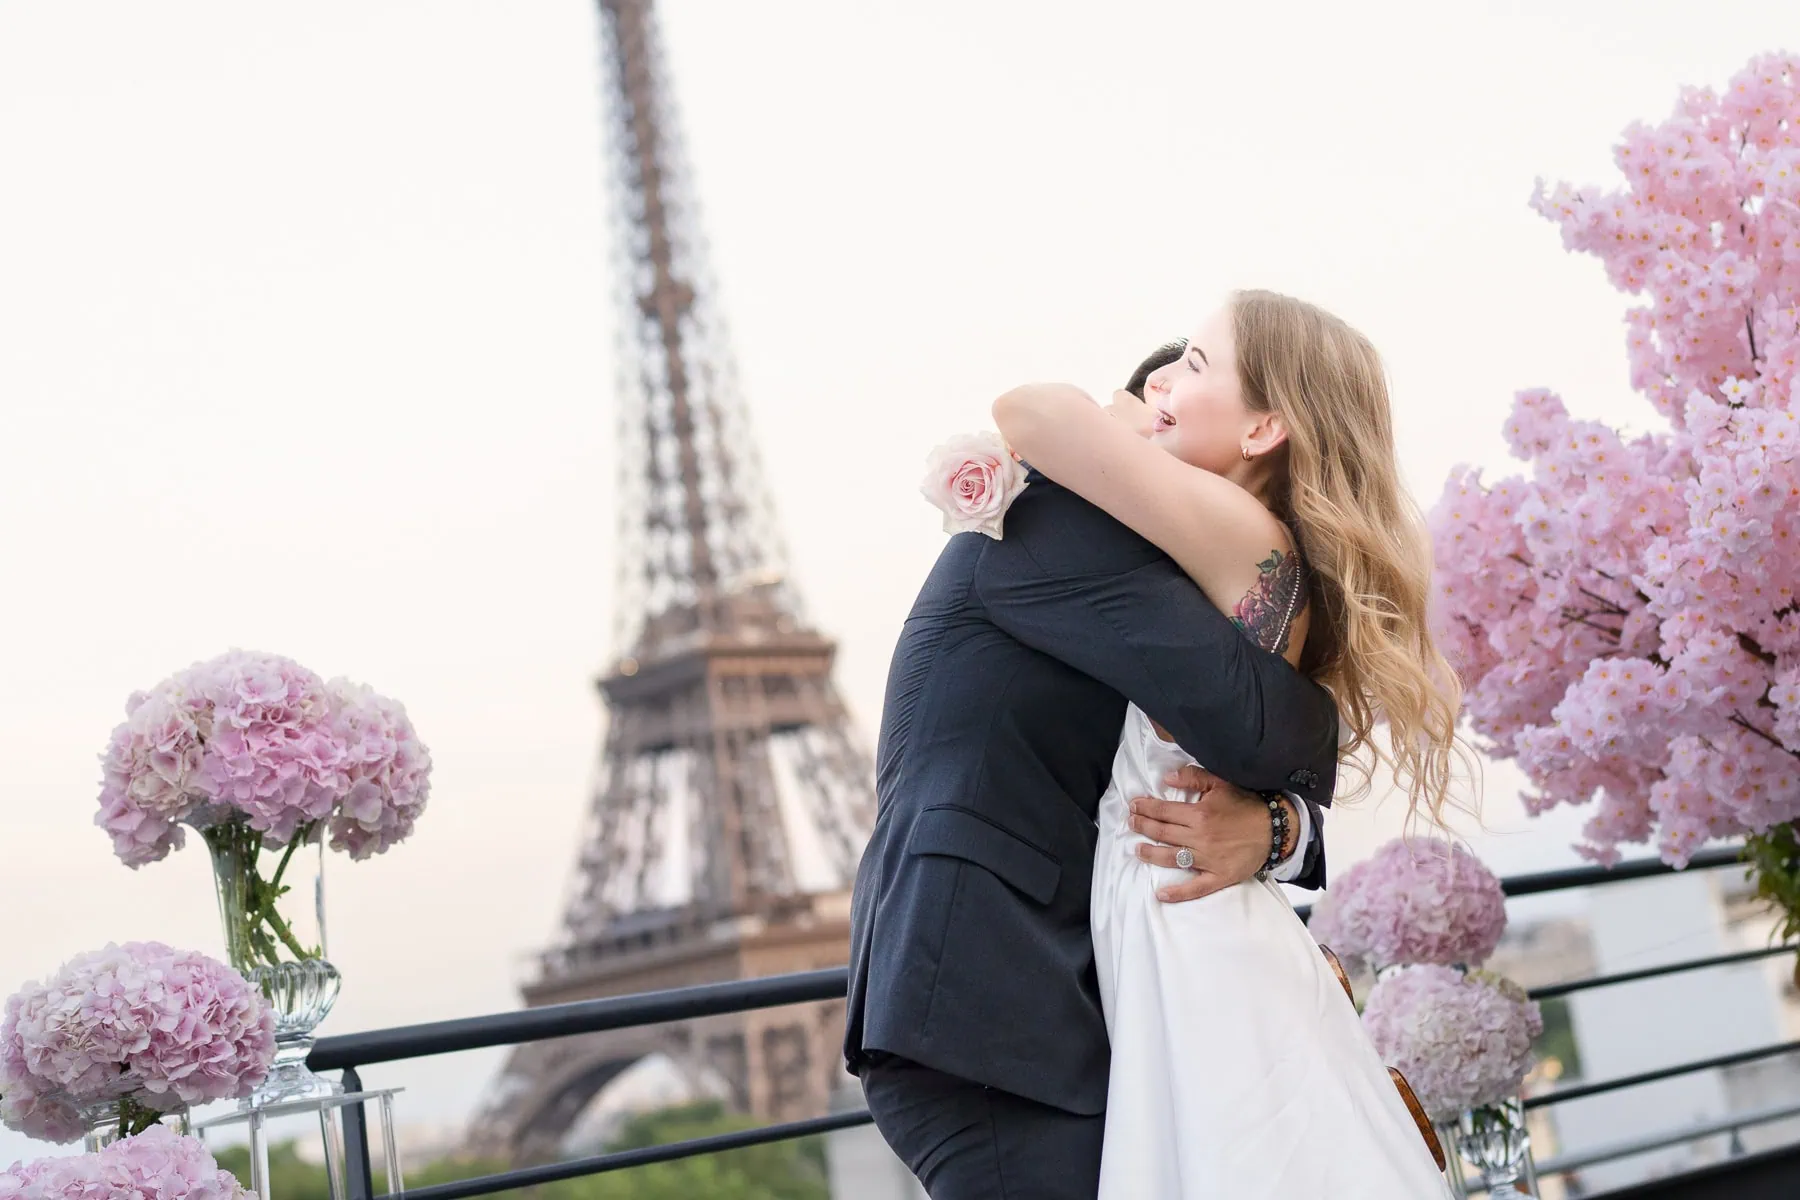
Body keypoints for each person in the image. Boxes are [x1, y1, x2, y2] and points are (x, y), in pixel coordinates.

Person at [843, 313, 1342, 1194]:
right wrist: (1323, 730)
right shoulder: (1048, 527)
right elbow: (1255, 731)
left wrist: (1274, 830)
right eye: (1155, 385)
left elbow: (1202, 756)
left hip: (1056, 991)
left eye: (1189, 373)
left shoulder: (1154, 564)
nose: (1158, 396)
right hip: (984, 996)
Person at [993, 289, 1464, 1196]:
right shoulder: (1232, 538)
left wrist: (1128, 416)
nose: (1164, 377)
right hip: (1185, 911)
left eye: (1195, 365)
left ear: (1263, 432)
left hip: (1185, 927)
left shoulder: (1241, 530)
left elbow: (1032, 411)